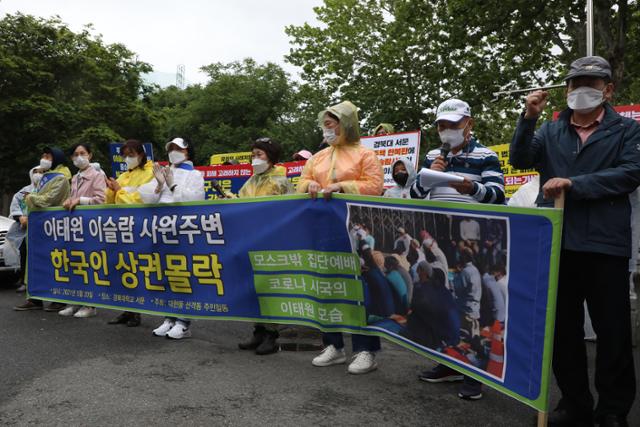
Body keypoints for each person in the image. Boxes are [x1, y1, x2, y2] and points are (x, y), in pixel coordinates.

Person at [510, 56, 640, 427]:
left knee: (612, 331)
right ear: (565, 90)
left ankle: (613, 410)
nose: (580, 90)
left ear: (608, 89)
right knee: (562, 330)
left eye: (590, 83)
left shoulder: (625, 131)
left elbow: (630, 173)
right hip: (556, 244)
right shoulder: (550, 131)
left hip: (605, 246)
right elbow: (520, 159)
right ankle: (574, 402)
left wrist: (574, 184)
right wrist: (528, 117)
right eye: (574, 83)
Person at [412, 99, 505, 400]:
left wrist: (472, 188)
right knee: (443, 305)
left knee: (471, 309)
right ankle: (448, 361)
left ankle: (474, 372)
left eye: (453, 124)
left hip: (472, 245)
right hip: (441, 239)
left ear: (469, 124)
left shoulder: (485, 155)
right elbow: (413, 196)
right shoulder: (431, 155)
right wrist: (428, 175)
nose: (447, 131)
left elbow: (498, 196)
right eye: (441, 125)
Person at [298, 100, 384, 374]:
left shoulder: (365, 155)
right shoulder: (317, 157)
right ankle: (333, 345)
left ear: (346, 125)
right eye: (324, 125)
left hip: (356, 233)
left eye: (331, 124)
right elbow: (300, 183)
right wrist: (309, 184)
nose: (327, 130)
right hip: (323, 232)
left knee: (360, 290)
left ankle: (366, 350)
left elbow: (374, 187)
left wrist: (342, 186)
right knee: (326, 287)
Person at [237, 137, 292, 355]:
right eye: (253, 155)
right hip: (251, 241)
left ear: (271, 157)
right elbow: (239, 203)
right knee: (255, 288)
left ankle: (272, 335)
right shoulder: (251, 181)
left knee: (271, 289)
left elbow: (289, 213)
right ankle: (258, 331)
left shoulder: (281, 181)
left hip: (272, 243)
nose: (255, 159)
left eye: (259, 154)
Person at [150, 138, 206, 339]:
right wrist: (158, 185)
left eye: (178, 148)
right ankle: (169, 317)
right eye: (170, 149)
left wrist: (173, 186)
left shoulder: (195, 174)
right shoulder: (164, 172)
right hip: (162, 230)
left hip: (183, 231)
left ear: (188, 151)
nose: (173, 152)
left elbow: (195, 200)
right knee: (166, 273)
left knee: (183, 274)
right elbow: (146, 200)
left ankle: (184, 322)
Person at [105, 139, 157, 327]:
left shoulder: (150, 172)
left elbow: (138, 201)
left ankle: (138, 311)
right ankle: (127, 310)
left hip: (140, 228)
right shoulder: (125, 175)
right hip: (122, 228)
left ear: (141, 154)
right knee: (124, 268)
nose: (128, 158)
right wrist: (111, 190)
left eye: (131, 155)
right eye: (125, 155)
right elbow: (110, 201)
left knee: (139, 270)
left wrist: (118, 192)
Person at [14, 147, 71, 312]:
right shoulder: (46, 176)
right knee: (35, 261)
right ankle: (35, 298)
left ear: (57, 158)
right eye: (43, 156)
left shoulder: (61, 178)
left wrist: (30, 197)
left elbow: (47, 200)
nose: (44, 158)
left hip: (53, 226)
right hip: (39, 225)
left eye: (48, 156)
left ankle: (58, 299)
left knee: (54, 263)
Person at [58, 143, 106, 318]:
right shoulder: (75, 178)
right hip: (75, 227)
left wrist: (80, 200)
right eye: (76, 154)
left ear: (90, 155)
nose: (79, 157)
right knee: (76, 264)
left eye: (83, 153)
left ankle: (90, 304)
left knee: (90, 264)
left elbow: (101, 200)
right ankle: (75, 301)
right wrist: (69, 201)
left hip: (91, 226)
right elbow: (73, 197)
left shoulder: (97, 175)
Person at [6, 166, 40, 293]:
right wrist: (20, 217)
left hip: (43, 229)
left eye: (41, 172)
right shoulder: (24, 191)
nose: (38, 174)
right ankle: (24, 280)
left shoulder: (48, 190)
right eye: (35, 172)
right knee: (24, 253)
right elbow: (15, 204)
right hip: (25, 229)